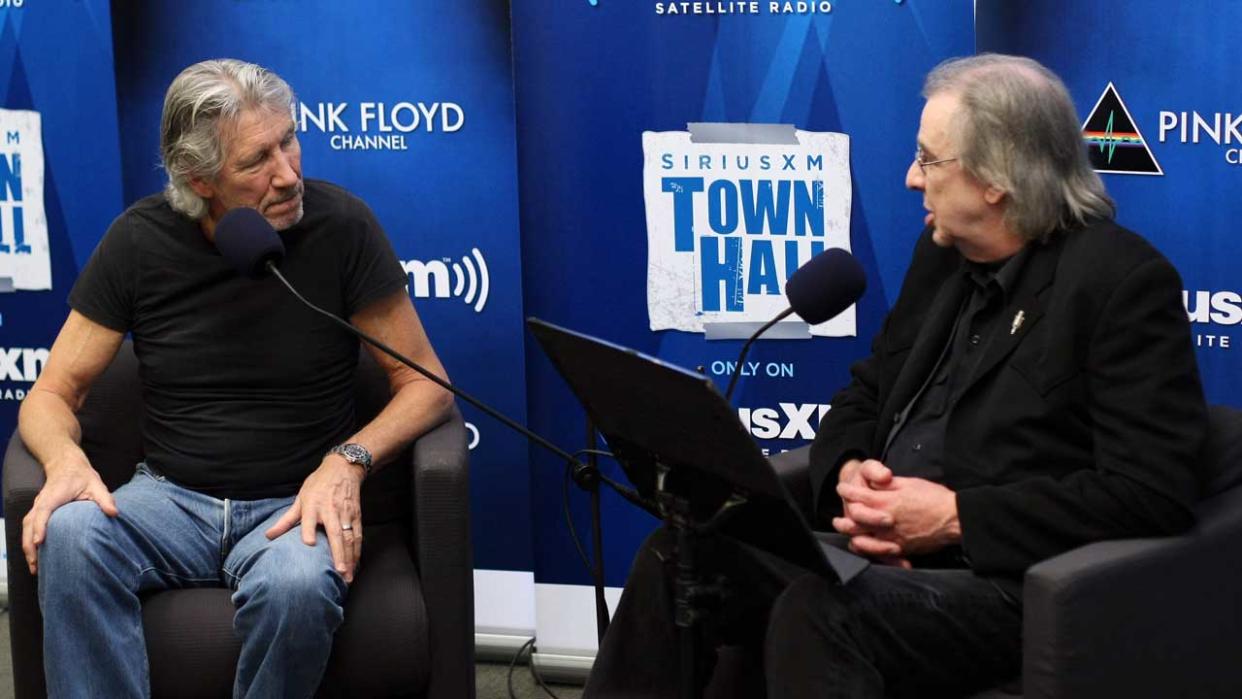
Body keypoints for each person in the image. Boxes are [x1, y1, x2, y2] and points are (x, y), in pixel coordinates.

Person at [585, 54, 1206, 698]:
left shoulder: (1118, 283)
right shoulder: (940, 257)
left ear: (995, 179)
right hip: (876, 554)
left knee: (818, 611)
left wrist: (955, 517)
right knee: (679, 554)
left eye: (930, 161)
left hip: (1005, 582)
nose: (912, 179)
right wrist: (851, 471)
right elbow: (866, 391)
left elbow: (1151, 491)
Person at [17, 59, 453, 698]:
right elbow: (53, 393)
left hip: (294, 500)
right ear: (199, 179)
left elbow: (428, 385)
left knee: (298, 585)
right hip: (168, 499)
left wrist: (347, 461)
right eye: (256, 161)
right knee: (72, 534)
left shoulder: (342, 226)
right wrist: (63, 463)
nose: (288, 173)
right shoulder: (140, 242)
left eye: (289, 141)